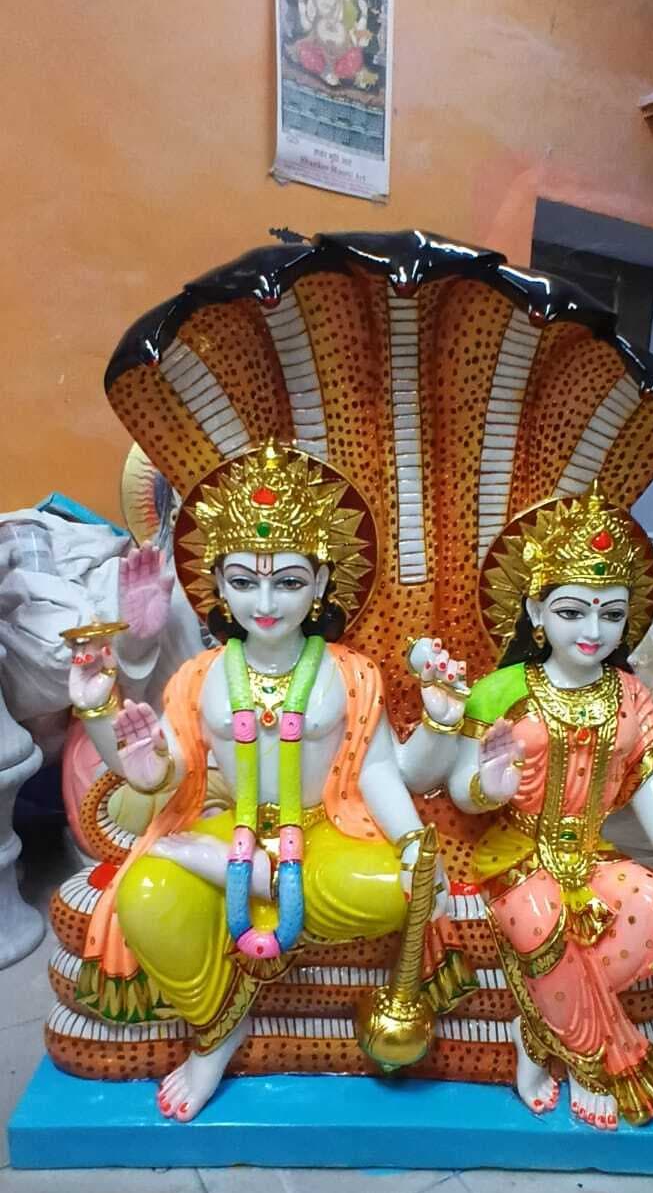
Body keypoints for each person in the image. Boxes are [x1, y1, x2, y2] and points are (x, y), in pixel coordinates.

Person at [69, 442, 464, 1121]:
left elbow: (378, 772)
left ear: (321, 581)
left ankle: (247, 877)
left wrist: (410, 845)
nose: (266, 602)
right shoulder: (202, 676)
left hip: (324, 833)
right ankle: (217, 1031)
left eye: (287, 581)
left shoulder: (350, 673)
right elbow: (159, 768)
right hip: (235, 827)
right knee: (146, 895)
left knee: (402, 891)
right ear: (219, 586)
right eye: (244, 582)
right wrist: (101, 713)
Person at [448, 485, 653, 1129]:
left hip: (591, 853)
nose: (593, 632)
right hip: (516, 850)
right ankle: (582, 1057)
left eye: (611, 615)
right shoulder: (503, 690)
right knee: (541, 921)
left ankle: (539, 1028)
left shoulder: (629, 696)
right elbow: (459, 788)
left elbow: (652, 789)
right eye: (571, 612)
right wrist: (488, 787)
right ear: (535, 609)